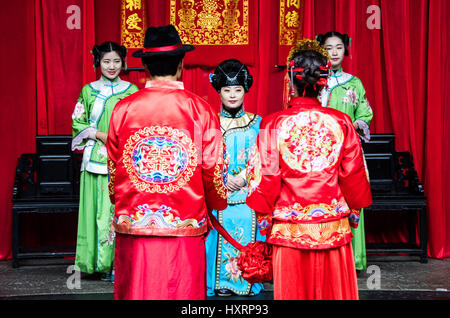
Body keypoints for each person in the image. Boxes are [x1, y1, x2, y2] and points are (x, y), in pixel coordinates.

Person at [106, 24, 228, 300]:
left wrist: (120, 199)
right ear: (182, 64)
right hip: (184, 225)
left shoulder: (123, 109)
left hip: (135, 224)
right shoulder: (200, 109)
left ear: (145, 66)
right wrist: (214, 204)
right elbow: (213, 168)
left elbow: (114, 166)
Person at [246, 39, 372, 300]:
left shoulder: (273, 123)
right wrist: (356, 208)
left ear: (290, 80)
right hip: (332, 225)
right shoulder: (341, 121)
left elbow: (265, 178)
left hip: (290, 229)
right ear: (323, 82)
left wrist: (262, 213)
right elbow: (354, 175)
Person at [71, 42, 138, 281]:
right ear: (97, 63)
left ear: (123, 62)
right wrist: (101, 135)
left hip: (124, 159)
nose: (111, 66)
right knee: (96, 211)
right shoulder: (88, 91)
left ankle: (118, 264)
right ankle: (95, 264)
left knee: (118, 211)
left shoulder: (132, 91)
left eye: (116, 61)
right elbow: (78, 123)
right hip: (96, 159)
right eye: (106, 61)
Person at [205, 59, 264, 297]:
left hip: (249, 193)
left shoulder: (258, 122)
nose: (232, 95)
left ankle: (248, 280)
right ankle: (220, 282)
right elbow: (203, 158)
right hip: (219, 193)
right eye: (227, 90)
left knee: (248, 219)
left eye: (237, 90)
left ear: (245, 90)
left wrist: (244, 175)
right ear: (218, 91)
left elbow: (266, 158)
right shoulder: (209, 123)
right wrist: (222, 176)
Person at [317, 31, 373, 271]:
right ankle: (326, 258)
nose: (334, 52)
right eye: (329, 48)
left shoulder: (354, 82)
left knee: (351, 201)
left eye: (339, 47)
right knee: (325, 201)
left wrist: (359, 123)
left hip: (349, 151)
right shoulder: (315, 81)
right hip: (321, 153)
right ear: (322, 51)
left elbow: (364, 112)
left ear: (345, 49)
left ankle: (352, 259)